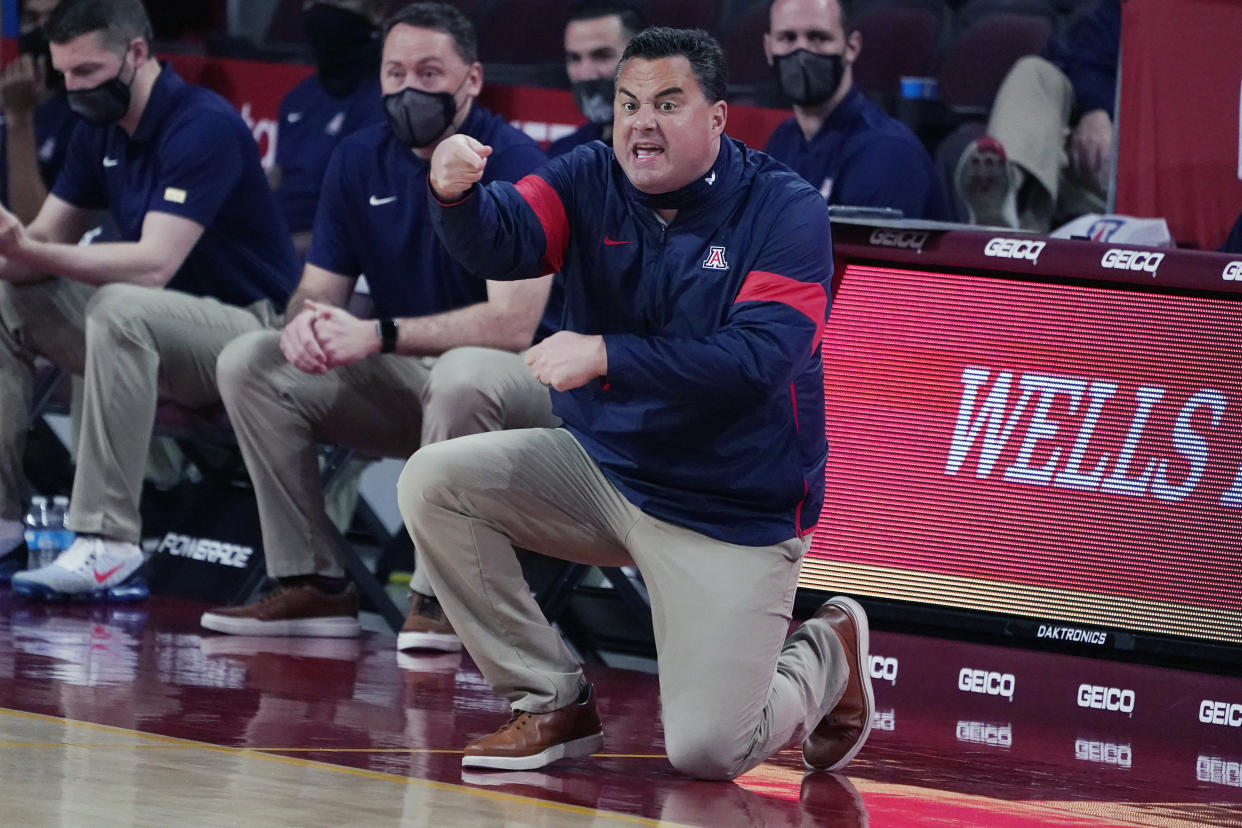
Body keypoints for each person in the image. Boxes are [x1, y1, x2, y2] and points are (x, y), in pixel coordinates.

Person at [399, 27, 873, 779]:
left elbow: (756, 362)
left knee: (710, 750)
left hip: (728, 506)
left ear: (717, 118)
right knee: (434, 480)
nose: (640, 122)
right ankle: (549, 697)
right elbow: (507, 238)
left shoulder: (784, 212)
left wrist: (605, 354)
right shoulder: (589, 175)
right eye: (628, 104)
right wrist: (453, 194)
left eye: (666, 103)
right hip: (607, 472)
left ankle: (827, 656)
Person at [199, 2, 555, 647]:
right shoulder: (359, 156)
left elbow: (512, 324)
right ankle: (312, 581)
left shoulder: (515, 160)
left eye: (429, 71)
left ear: (471, 80)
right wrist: (305, 326)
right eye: (395, 72)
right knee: (250, 359)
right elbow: (315, 291)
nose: (408, 88)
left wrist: (375, 334)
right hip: (416, 386)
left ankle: (440, 597)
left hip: (530, 393)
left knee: (462, 373)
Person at [0, 0, 299, 600]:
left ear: (136, 53)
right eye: (64, 75)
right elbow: (43, 241)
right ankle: (5, 521)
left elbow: (154, 262)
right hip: (144, 334)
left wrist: (30, 252)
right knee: (8, 298)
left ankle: (108, 542)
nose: (73, 88)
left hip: (249, 335)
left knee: (119, 303)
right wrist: (11, 250)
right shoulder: (97, 131)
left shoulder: (202, 124)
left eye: (87, 72)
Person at [763, 0, 950, 220]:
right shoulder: (782, 142)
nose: (802, 52)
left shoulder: (886, 152)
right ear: (769, 49)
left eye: (819, 37)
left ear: (852, 47)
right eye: (788, 38)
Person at [954, 0, 1120, 231]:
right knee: (1034, 71)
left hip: (1139, 178)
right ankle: (1004, 191)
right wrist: (1096, 111)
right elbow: (1071, 57)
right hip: (1074, 165)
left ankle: (1016, 218)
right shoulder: (1122, 9)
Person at [272, 0, 388, 256]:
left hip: (322, 265)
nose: (321, 8)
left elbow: (373, 223)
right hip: (272, 251)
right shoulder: (298, 97)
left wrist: (274, 252)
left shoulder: (387, 103)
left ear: (378, 11)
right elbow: (279, 178)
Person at [1, 0, 78, 225]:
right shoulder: (8, 94)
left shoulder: (92, 117)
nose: (42, 32)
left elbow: (39, 234)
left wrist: (19, 119)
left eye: (56, 21)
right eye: (30, 19)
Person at [546, 0, 646, 159]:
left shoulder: (674, 151)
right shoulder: (565, 154)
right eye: (575, 58)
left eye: (602, 56)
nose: (586, 74)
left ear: (642, 58)